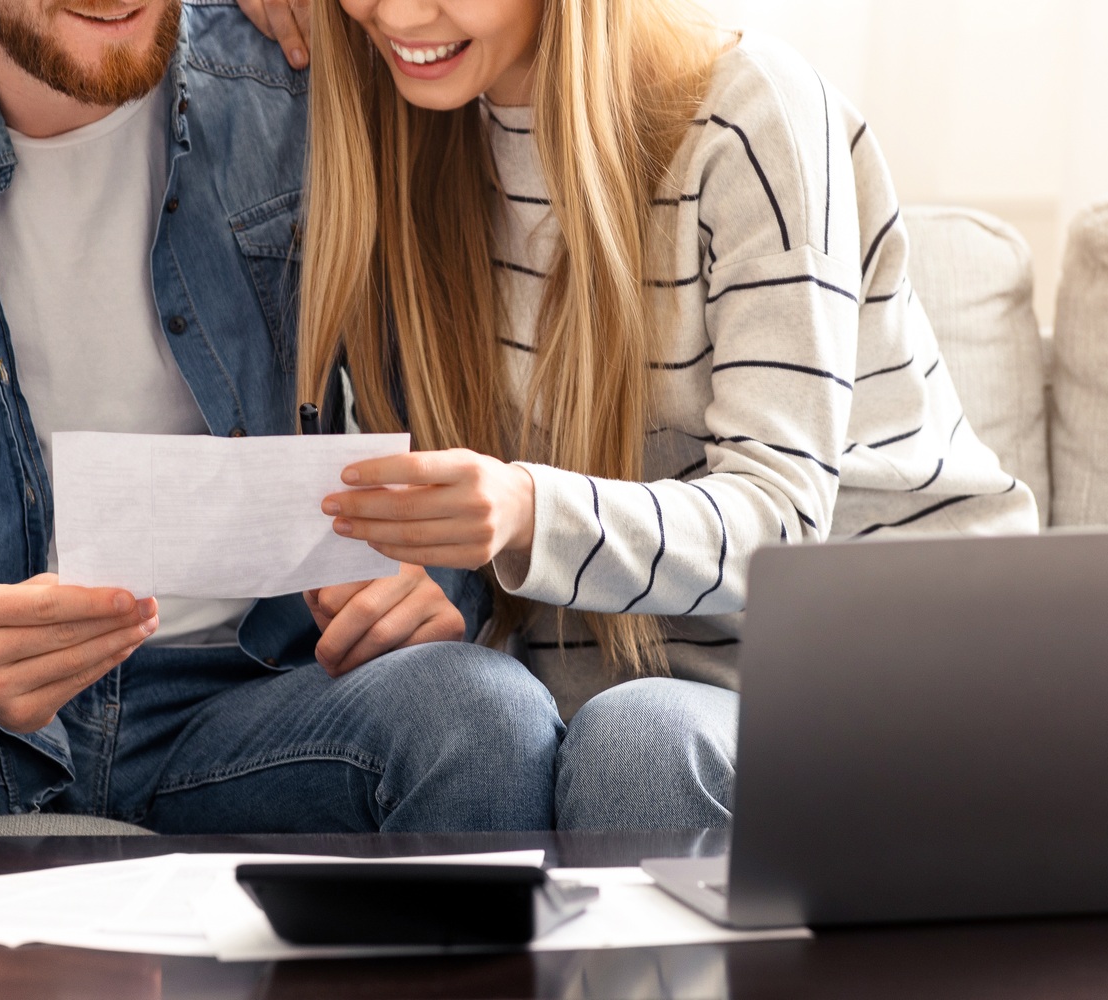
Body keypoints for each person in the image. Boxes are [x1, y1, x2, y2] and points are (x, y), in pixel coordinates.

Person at [0, 0, 563, 858]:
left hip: (248, 703)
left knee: (486, 718)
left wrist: (428, 585)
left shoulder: (311, 96)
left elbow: (450, 431)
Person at [276, 0, 1040, 829]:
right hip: (630, 701)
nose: (391, 13)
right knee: (544, 727)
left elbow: (778, 526)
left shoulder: (752, 117)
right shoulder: (405, 142)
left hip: (882, 676)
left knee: (639, 741)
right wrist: (429, 582)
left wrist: (528, 511)